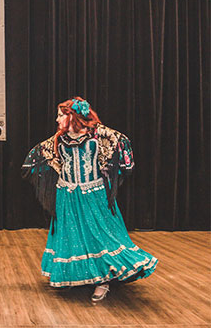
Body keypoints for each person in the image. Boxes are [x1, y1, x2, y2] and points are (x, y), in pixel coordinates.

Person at [21, 97, 158, 302]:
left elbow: (121, 141)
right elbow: (40, 153)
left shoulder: (97, 135)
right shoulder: (58, 139)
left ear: (72, 116)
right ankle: (76, 275)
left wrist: (112, 165)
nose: (57, 119)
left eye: (61, 115)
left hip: (92, 194)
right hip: (67, 194)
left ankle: (103, 280)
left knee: (98, 236)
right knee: (71, 236)